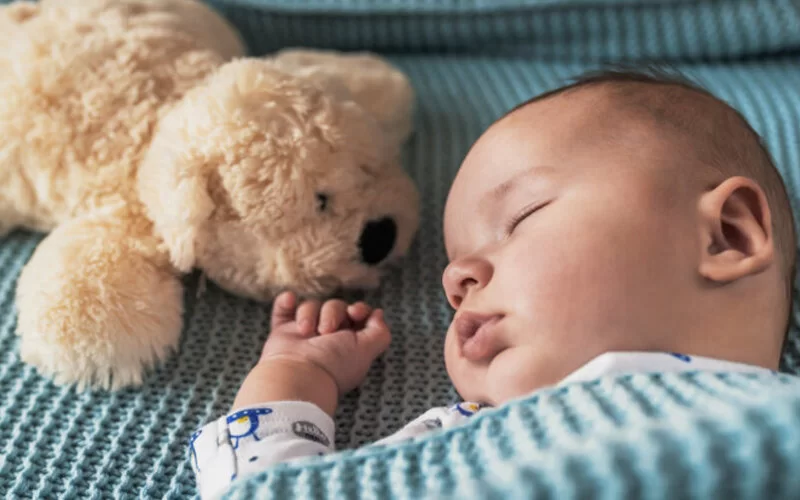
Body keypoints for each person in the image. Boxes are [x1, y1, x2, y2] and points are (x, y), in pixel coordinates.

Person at [188, 69, 797, 499]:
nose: (455, 281)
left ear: (727, 236)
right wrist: (298, 375)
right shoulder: (454, 442)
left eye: (520, 219)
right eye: (455, 270)